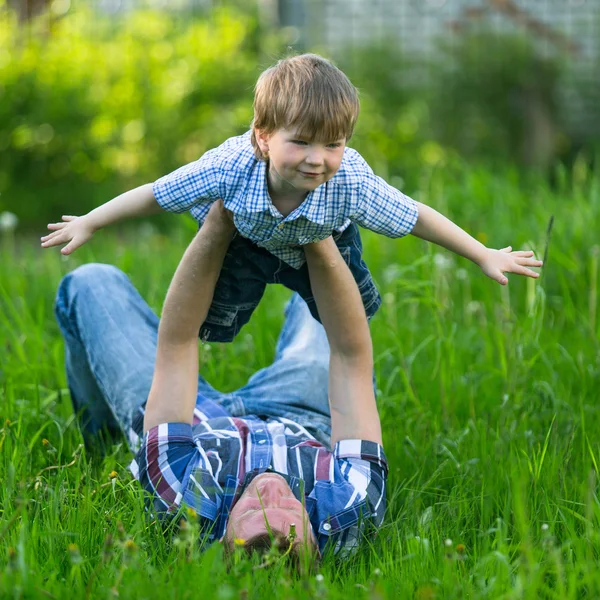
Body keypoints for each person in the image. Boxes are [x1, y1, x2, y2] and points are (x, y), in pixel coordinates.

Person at [43, 53, 543, 343]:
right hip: (245, 239)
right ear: (263, 136)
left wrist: (482, 254)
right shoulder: (229, 166)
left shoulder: (350, 181)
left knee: (351, 317)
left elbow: (415, 216)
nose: (316, 159)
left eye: (333, 144)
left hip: (326, 239)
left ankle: (329, 325)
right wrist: (91, 220)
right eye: (300, 142)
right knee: (212, 323)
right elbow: (158, 193)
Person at [55, 201, 386, 561]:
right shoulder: (351, 508)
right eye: (291, 511)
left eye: (253, 509)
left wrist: (220, 219)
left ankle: (100, 443)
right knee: (336, 304)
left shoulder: (180, 499)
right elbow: (350, 357)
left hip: (192, 420)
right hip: (301, 415)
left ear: (221, 534)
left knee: (90, 283)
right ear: (315, 539)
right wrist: (315, 229)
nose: (271, 489)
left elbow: (177, 342)